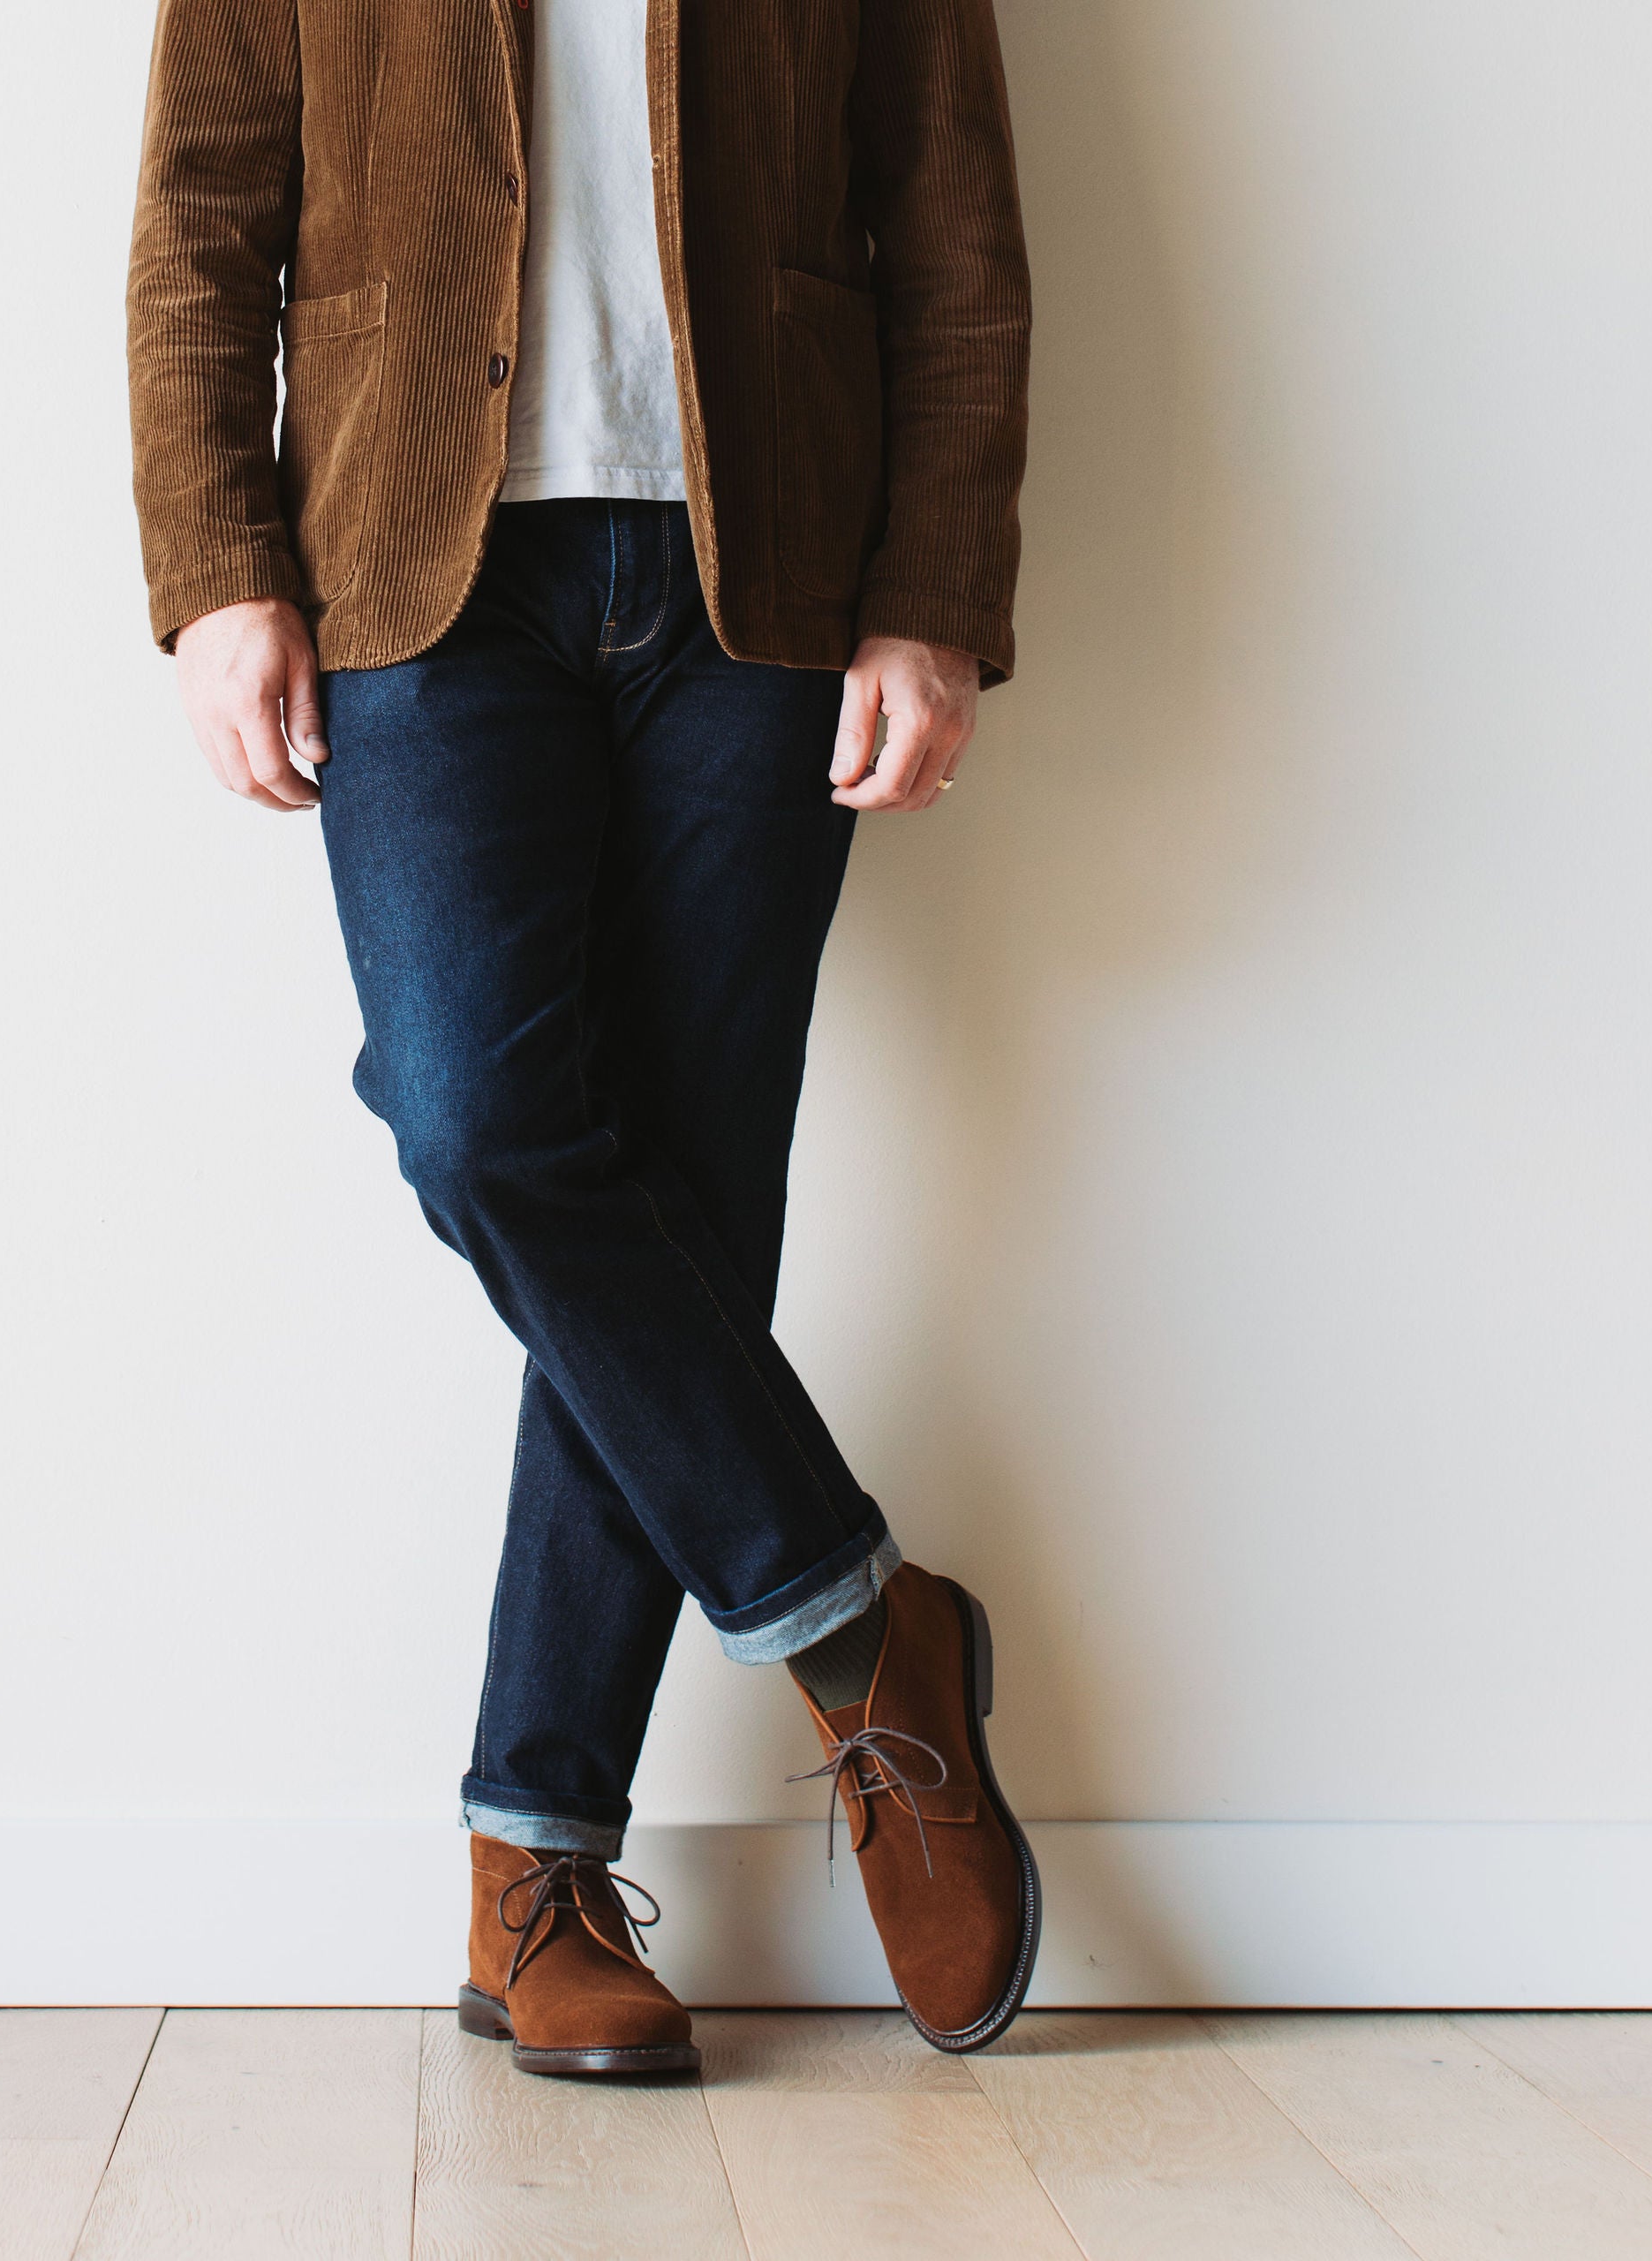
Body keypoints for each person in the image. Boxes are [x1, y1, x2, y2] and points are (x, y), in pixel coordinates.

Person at [128, 0, 1034, 2076]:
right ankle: (856, 1625)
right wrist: (215, 561)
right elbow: (200, 212)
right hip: (411, 561)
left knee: (681, 1202)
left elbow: (951, 222)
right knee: (476, 1118)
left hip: (765, 571)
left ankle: (530, 1862)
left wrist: (934, 588)